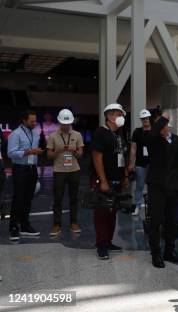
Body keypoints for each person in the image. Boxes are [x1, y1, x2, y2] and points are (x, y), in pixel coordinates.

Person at [146, 112, 178, 268]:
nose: (164, 127)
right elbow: (151, 136)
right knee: (155, 221)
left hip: (173, 187)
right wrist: (162, 118)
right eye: (160, 125)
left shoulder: (176, 139)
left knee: (172, 221)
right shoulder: (153, 140)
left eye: (165, 124)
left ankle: (170, 251)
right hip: (157, 186)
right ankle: (156, 254)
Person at [91, 103, 129, 260]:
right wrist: (103, 180)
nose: (120, 117)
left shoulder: (119, 134)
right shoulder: (101, 133)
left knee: (112, 212)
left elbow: (122, 157)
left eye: (121, 114)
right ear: (109, 116)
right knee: (101, 212)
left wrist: (125, 176)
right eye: (117, 114)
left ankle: (108, 241)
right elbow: (96, 158)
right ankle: (101, 245)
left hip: (117, 180)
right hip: (103, 181)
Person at [47, 109, 84, 237]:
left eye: (68, 124)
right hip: (59, 171)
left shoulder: (77, 135)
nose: (66, 126)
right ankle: (56, 224)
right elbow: (49, 155)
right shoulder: (53, 136)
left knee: (74, 198)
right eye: (64, 124)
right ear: (59, 122)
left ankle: (74, 222)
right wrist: (58, 150)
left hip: (74, 170)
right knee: (58, 198)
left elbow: (80, 154)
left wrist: (74, 151)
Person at [8, 110, 43, 241]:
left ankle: (25, 225)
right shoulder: (15, 134)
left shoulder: (35, 134)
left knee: (28, 198)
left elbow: (34, 153)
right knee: (18, 199)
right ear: (24, 120)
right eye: (31, 121)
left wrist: (35, 155)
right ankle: (13, 227)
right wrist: (28, 151)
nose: (34, 123)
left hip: (32, 169)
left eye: (35, 121)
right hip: (20, 169)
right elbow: (11, 153)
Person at [128, 109, 151, 216]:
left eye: (146, 118)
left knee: (152, 186)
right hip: (140, 164)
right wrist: (131, 163)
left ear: (149, 119)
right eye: (143, 119)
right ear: (141, 120)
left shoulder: (154, 131)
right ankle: (136, 206)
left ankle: (152, 206)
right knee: (139, 186)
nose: (145, 120)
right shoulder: (137, 132)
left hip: (152, 164)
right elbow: (133, 148)